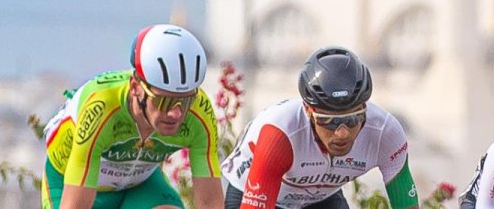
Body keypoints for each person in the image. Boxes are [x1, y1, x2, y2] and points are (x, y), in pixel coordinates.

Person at [41, 23, 223, 209]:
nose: (175, 113)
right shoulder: (102, 107)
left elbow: (211, 204)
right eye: (163, 101)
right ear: (136, 87)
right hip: (69, 182)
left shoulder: (200, 111)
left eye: (185, 101)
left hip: (140, 185)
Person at [221, 46, 418, 209]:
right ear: (308, 111)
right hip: (252, 191)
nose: (342, 132)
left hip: (319, 198)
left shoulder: (385, 132)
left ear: (365, 108)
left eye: (352, 119)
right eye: (328, 120)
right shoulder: (281, 134)